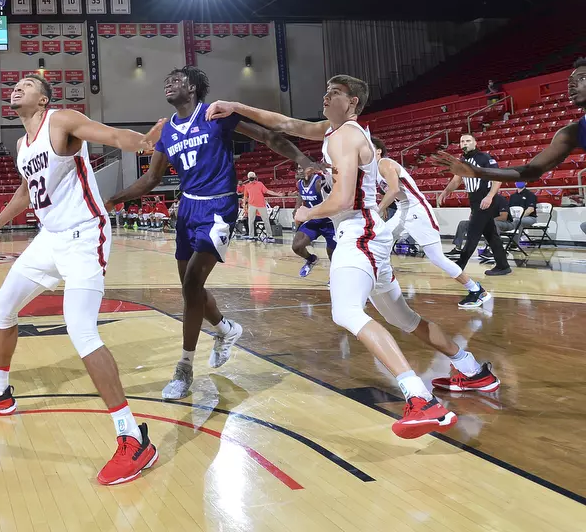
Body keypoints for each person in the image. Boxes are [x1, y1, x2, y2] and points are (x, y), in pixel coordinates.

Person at [208, 75, 500, 437]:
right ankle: (473, 370)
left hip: (359, 232)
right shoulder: (333, 132)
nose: (325, 96)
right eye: (325, 90)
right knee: (406, 319)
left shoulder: (347, 134)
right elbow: (286, 124)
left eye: (334, 93)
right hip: (366, 233)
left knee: (346, 311)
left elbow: (344, 200)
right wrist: (236, 108)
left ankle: (422, 400)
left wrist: (306, 214)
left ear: (353, 103)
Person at [0, 74, 164, 485]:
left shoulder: (62, 120)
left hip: (84, 233)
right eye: (13, 84)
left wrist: (141, 142)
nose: (16, 87)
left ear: (44, 98)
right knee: (1, 307)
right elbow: (24, 193)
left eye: (27, 84)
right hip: (49, 239)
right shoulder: (22, 145)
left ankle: (133, 438)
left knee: (81, 330)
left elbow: (108, 134)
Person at [107, 66, 318, 399]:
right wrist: (113, 199)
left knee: (192, 284)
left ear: (191, 87)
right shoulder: (166, 132)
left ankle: (184, 368)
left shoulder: (215, 114)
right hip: (188, 209)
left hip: (219, 208)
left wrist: (302, 158)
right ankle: (224, 329)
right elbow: (151, 180)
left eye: (175, 80)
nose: (168, 83)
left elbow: (266, 136)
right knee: (191, 288)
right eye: (167, 80)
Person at [433, 59, 586, 245]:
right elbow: (532, 170)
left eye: (581, 78)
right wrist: (476, 172)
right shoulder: (570, 133)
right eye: (569, 82)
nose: (571, 85)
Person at [374, 138, 490, 308]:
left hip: (417, 210)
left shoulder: (384, 163)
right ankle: (385, 285)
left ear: (377, 151)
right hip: (402, 209)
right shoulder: (371, 170)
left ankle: (477, 290)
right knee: (379, 241)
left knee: (437, 258)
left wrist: (379, 208)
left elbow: (394, 190)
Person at [436, 134, 510, 277]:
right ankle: (503, 265)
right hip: (474, 200)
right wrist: (445, 192)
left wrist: (489, 196)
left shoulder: (485, 158)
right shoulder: (462, 161)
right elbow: (456, 180)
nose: (465, 143)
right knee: (491, 235)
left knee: (473, 233)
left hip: (485, 199)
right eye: (462, 141)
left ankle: (459, 266)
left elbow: (498, 177)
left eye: (468, 141)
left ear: (475, 143)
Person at [292, 167, 336, 278]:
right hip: (313, 220)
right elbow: (300, 196)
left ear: (311, 169)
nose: (299, 171)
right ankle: (311, 260)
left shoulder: (318, 181)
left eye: (303, 168)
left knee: (332, 252)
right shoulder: (300, 183)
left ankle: (335, 274)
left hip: (329, 221)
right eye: (298, 168)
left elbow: (330, 187)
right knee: (296, 246)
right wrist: (297, 208)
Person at [238, 171, 283, 241]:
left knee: (266, 220)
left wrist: (277, 194)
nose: (251, 178)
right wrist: (244, 205)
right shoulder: (246, 186)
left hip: (261, 205)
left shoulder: (260, 184)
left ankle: (269, 235)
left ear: (255, 177)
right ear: (248, 178)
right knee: (250, 221)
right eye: (250, 177)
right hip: (251, 205)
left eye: (252, 177)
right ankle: (251, 236)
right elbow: (245, 196)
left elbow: (267, 191)